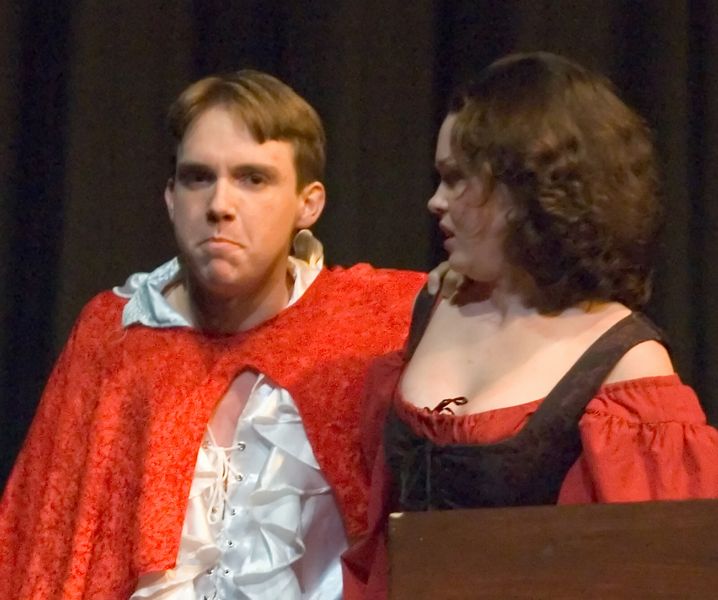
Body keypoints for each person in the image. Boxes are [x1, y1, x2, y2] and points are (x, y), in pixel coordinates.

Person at [0, 70, 426, 599]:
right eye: (198, 177)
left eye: (253, 179)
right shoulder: (117, 336)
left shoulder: (372, 324)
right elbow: (42, 544)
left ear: (309, 203)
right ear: (170, 197)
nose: (220, 204)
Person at [342, 52, 718, 598]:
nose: (435, 201)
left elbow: (653, 573)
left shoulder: (624, 363)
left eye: (456, 180)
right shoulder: (436, 305)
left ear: (527, 190)